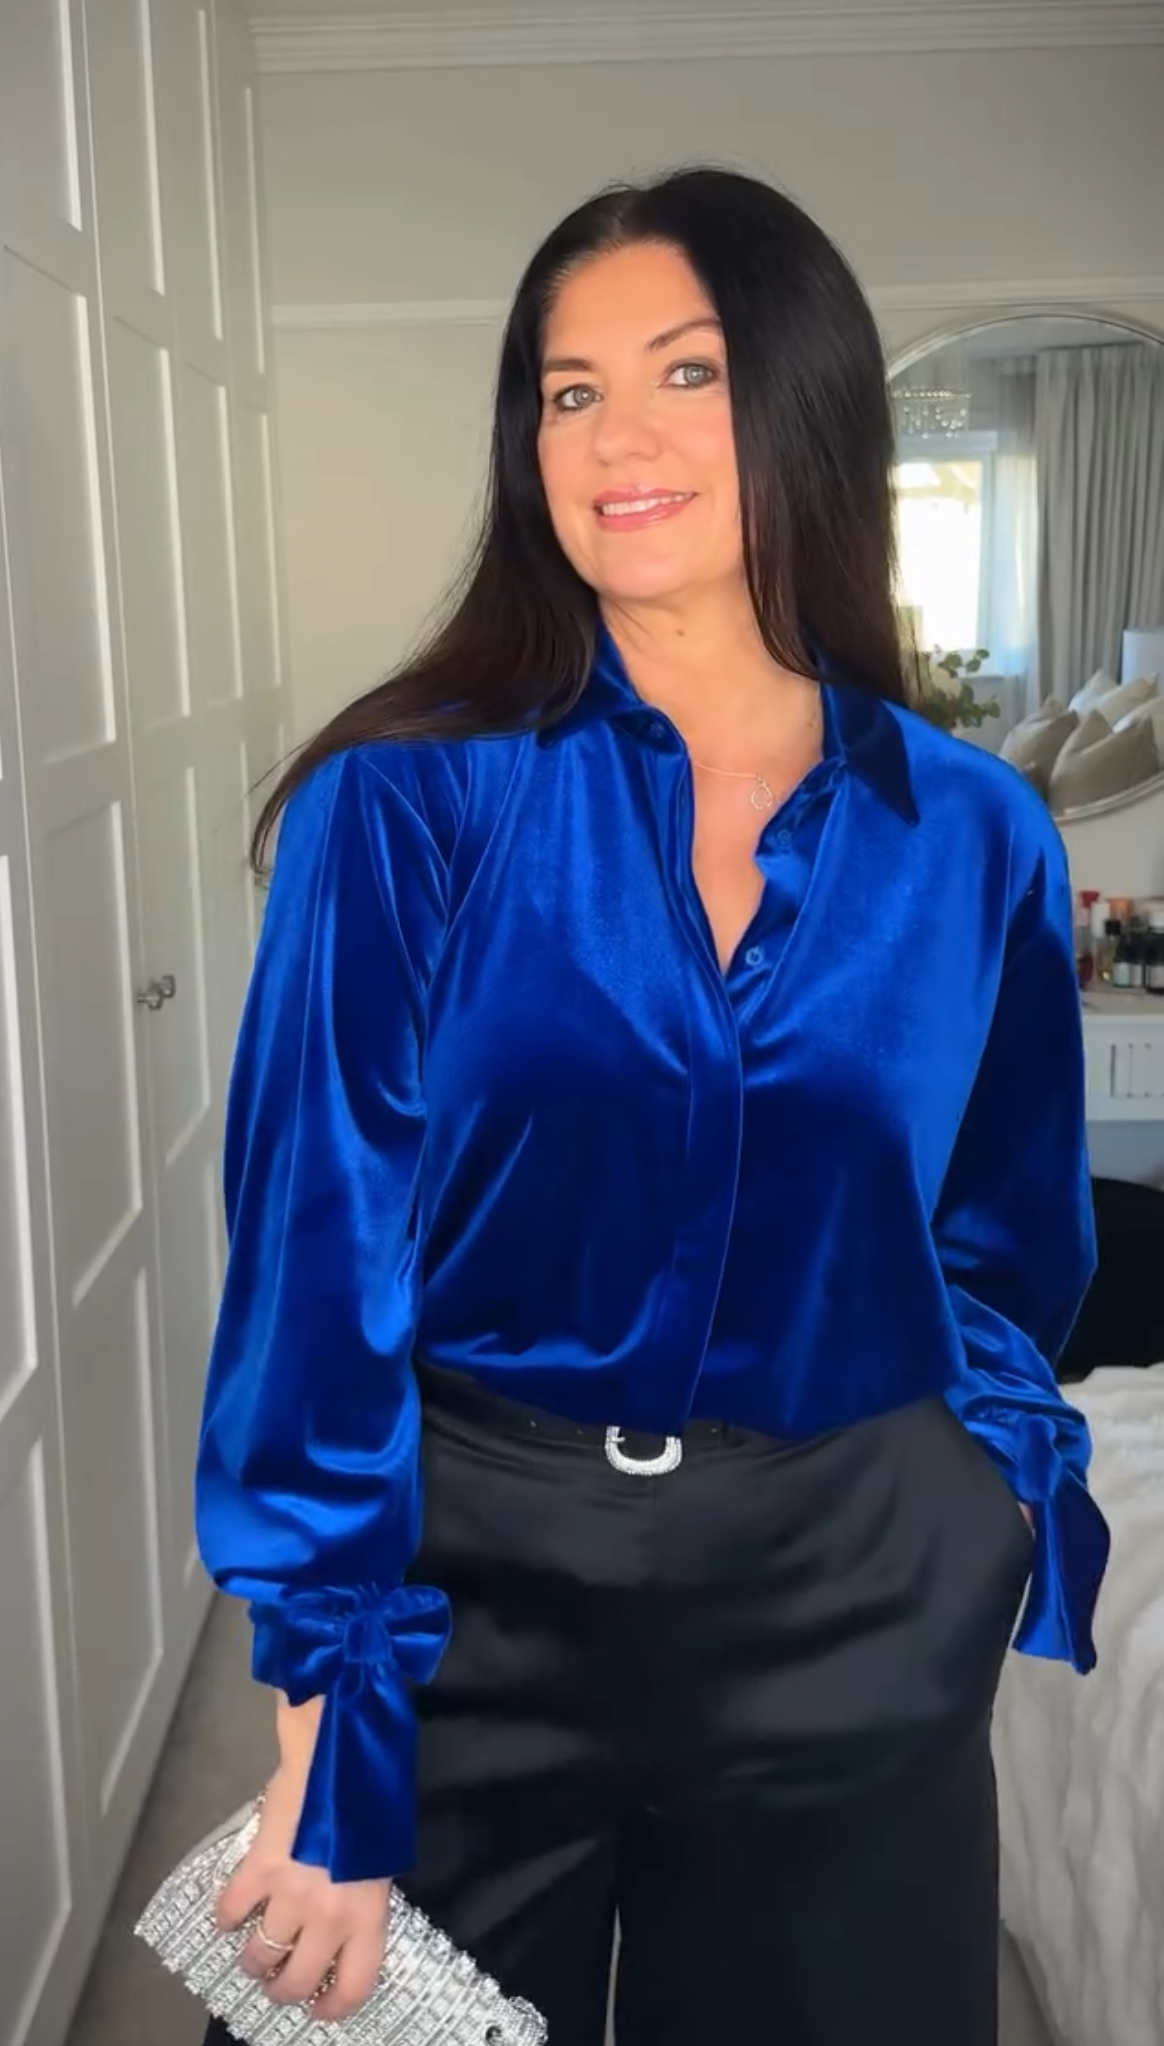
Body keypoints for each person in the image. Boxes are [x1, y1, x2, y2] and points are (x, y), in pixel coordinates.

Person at [196, 167, 1110, 2046]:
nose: (619, 436)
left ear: (804, 402)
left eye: (688, 372)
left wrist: (976, 1512)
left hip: (848, 1587)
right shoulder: (406, 804)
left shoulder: (976, 833)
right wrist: (322, 1744)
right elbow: (313, 1283)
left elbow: (1005, 1244)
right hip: (469, 1582)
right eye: (570, 389)